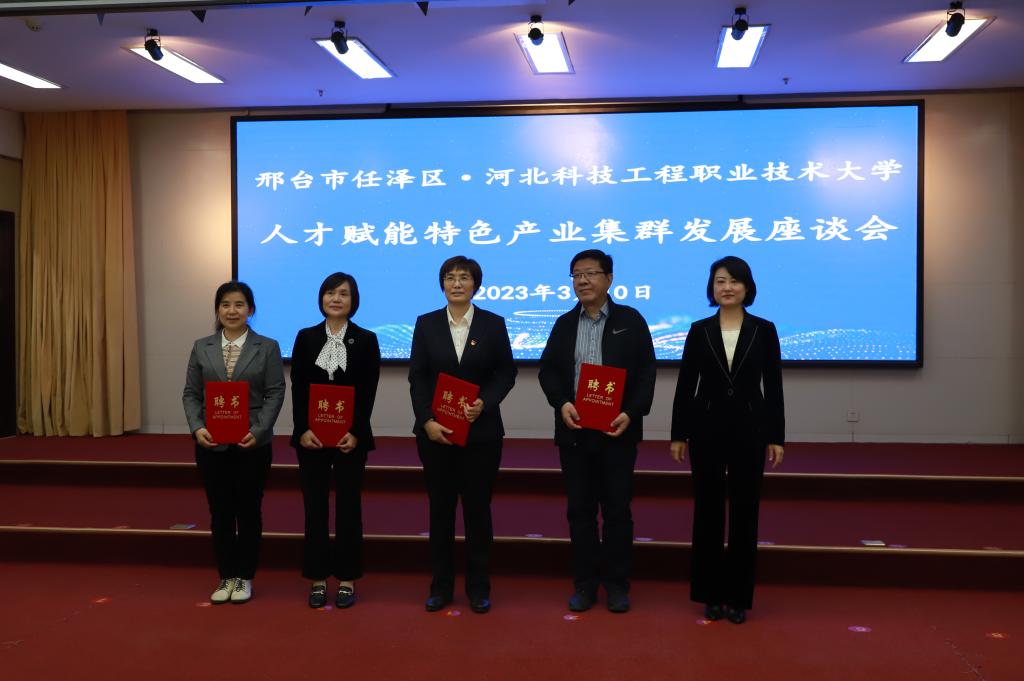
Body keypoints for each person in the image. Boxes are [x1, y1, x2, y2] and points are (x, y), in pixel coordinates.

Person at [538, 249, 656, 614]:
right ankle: (585, 584)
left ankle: (617, 585)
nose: (582, 281)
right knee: (580, 511)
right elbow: (548, 371)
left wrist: (631, 413)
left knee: (617, 511)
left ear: (609, 279)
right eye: (576, 274)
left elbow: (646, 374)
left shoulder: (631, 320)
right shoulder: (564, 324)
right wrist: (561, 402)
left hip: (616, 432)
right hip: (575, 431)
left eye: (590, 273)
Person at [669, 255, 785, 624]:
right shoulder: (699, 330)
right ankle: (709, 594)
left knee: (745, 513)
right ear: (712, 288)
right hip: (706, 429)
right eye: (720, 281)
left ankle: (738, 597)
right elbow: (686, 385)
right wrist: (678, 433)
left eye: (734, 281)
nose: (727, 287)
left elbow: (774, 386)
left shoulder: (764, 330)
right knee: (708, 511)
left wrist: (776, 436)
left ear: (747, 287)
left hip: (750, 430)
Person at [408, 256, 517, 614]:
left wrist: (485, 402)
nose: (457, 283)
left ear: (475, 285)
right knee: (440, 511)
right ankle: (440, 587)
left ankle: (478, 588)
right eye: (450, 277)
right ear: (442, 284)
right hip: (435, 434)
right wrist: (426, 420)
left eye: (464, 277)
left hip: (481, 434)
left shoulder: (493, 324)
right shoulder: (426, 324)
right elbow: (417, 377)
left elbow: (506, 373)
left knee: (477, 512)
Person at [182, 281, 285, 605]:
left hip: (251, 444)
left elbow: (275, 392)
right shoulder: (202, 347)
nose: (232, 310)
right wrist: (197, 428)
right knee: (220, 511)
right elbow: (191, 394)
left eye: (239, 304)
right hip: (211, 443)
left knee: (249, 510)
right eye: (225, 304)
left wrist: (259, 430)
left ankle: (244, 577)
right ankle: (226, 575)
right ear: (218, 309)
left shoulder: (267, 347)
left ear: (250, 310)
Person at [290, 272, 381, 609]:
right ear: (321, 298)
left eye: (343, 293)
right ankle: (317, 578)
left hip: (349, 439)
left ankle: (346, 578)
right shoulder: (306, 337)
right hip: (311, 438)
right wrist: (303, 429)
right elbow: (298, 387)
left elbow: (368, 391)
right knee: (314, 508)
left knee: (348, 508)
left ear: (353, 301)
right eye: (330, 293)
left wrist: (355, 431)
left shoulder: (367, 339)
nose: (336, 299)